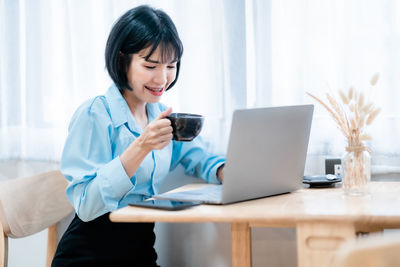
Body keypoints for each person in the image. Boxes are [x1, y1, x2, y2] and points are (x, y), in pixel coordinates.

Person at [51, 5, 225, 267]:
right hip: (88, 256)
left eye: (171, 65)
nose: (162, 78)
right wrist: (141, 146)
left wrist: (227, 171)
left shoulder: (160, 115)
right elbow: (86, 205)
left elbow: (197, 155)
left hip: (140, 252)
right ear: (123, 61)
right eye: (150, 65)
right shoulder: (95, 114)